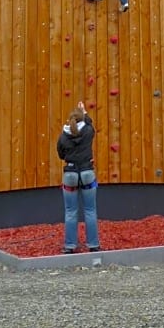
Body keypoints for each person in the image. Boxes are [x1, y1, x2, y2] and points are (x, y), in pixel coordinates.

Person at [56, 100, 100, 253]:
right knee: (90, 210)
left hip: (70, 174)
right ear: (82, 119)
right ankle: (93, 245)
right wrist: (85, 112)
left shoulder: (63, 137)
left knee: (70, 211)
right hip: (87, 172)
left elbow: (61, 155)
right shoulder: (87, 131)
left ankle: (69, 247)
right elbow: (91, 125)